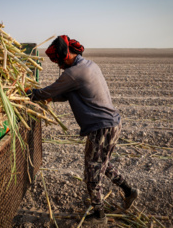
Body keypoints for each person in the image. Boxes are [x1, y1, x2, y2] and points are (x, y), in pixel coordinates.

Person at [27, 35, 138, 225]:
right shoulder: (88, 65)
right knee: (102, 164)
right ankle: (129, 191)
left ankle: (99, 216)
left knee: (92, 171)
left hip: (101, 128)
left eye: (59, 62)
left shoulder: (73, 73)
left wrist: (30, 93)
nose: (59, 66)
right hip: (112, 124)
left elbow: (50, 91)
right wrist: (52, 98)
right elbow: (68, 93)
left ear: (65, 56)